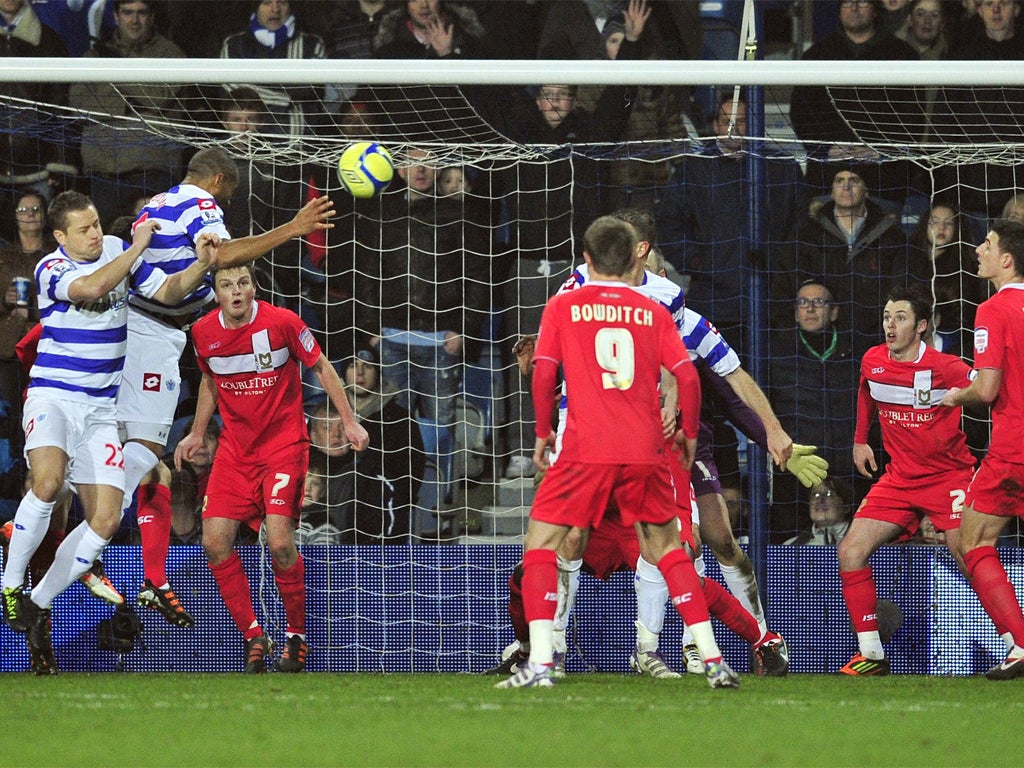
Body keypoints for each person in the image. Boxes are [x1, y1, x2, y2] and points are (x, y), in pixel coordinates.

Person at [496, 215, 739, 690]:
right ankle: (710, 658)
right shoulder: (654, 307)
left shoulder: (565, 303)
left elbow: (545, 371)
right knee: (668, 549)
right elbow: (687, 376)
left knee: (543, 545)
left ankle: (543, 661)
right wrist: (688, 432)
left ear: (586, 260)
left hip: (586, 448)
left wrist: (543, 432)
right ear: (635, 259)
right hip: (644, 448)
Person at [117, 146, 335, 630]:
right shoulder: (202, 205)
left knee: (141, 456)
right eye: (230, 196)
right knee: (146, 457)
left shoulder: (157, 203)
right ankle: (108, 547)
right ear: (217, 181)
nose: (226, 207)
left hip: (137, 327)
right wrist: (294, 229)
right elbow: (224, 256)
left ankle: (142, 568)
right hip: (152, 334)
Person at [0, 190, 216, 674]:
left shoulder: (118, 250)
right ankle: (11, 587)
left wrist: (203, 264)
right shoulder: (51, 270)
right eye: (84, 229)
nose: (96, 234)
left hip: (99, 410)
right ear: (60, 237)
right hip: (54, 397)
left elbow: (165, 292)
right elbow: (94, 289)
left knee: (105, 518)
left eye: (97, 224)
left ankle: (37, 602)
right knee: (48, 484)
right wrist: (137, 245)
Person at [175, 263, 369, 673]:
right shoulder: (203, 333)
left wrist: (348, 419)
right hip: (234, 451)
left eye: (243, 283)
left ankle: (296, 636)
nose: (237, 291)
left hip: (283, 446)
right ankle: (253, 635)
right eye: (227, 285)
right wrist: (196, 433)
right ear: (217, 293)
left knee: (280, 543)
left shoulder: (283, 322)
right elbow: (210, 380)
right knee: (214, 542)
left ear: (254, 287)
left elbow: (321, 366)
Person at [838, 286, 976, 676]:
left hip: (949, 477)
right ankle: (871, 654)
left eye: (900, 316)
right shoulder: (873, 360)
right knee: (850, 551)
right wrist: (860, 438)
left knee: (972, 560)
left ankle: (1016, 643)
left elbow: (986, 389)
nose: (890, 324)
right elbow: (866, 391)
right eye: (886, 316)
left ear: (922, 326)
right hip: (899, 479)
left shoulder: (946, 366)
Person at [352, 147, 488, 512]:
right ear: (397, 169)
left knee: (440, 429)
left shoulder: (458, 215)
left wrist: (464, 328)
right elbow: (365, 270)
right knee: (390, 426)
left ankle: (438, 510)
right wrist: (372, 329)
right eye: (412, 160)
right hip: (391, 337)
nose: (421, 168)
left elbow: (476, 274)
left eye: (429, 161)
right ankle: (390, 504)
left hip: (441, 339)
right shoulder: (379, 213)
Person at [657, 93, 805, 363]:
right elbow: (669, 223)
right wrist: (699, 262)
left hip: (772, 303)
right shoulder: (694, 171)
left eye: (741, 121)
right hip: (713, 302)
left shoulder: (783, 168)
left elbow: (800, 225)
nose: (733, 128)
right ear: (714, 125)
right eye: (726, 121)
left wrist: (781, 267)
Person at [939, 218, 1024, 681]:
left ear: (1005, 259)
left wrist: (957, 395)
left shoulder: (993, 309)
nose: (977, 249)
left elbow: (987, 388)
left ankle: (1019, 642)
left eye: (986, 244)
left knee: (973, 539)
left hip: (1014, 448)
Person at [772, 166, 920, 358]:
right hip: (816, 345)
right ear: (831, 191)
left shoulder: (892, 238)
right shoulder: (807, 236)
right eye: (839, 181)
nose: (846, 187)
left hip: (875, 342)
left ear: (866, 190)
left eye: (854, 181)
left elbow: (902, 290)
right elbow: (785, 288)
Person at [788, 0, 922, 205]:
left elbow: (914, 116)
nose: (854, 8)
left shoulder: (903, 55)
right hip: (827, 180)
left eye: (862, 3)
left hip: (884, 183)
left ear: (875, 10)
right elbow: (801, 113)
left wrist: (879, 149)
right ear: (839, 11)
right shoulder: (816, 55)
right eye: (848, 3)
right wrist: (827, 149)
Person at [68, 0, 187, 228]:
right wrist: (131, 104)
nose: (134, 20)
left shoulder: (170, 54)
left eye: (141, 13)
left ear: (151, 16)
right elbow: (80, 104)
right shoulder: (94, 56)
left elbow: (157, 95)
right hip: (104, 175)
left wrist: (114, 71)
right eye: (128, 13)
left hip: (153, 172)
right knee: (108, 248)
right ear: (116, 16)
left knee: (158, 246)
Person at [768, 278, 860, 539]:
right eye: (803, 303)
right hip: (795, 471)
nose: (809, 309)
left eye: (818, 302)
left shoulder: (853, 352)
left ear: (834, 312)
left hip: (846, 468)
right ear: (795, 313)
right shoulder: (777, 353)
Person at [341, 345, 425, 543]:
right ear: (343, 373)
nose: (360, 372)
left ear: (378, 373)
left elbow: (412, 470)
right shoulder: (327, 412)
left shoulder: (398, 417)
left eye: (368, 366)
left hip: (381, 506)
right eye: (353, 366)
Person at [219, 0, 327, 136]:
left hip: (296, 146)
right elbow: (232, 91)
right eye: (266, 2)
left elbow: (311, 90)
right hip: (244, 146)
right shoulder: (234, 44)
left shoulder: (312, 44)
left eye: (282, 2)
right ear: (256, 7)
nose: (275, 9)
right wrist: (286, 99)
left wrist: (251, 86)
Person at [908, 201, 988, 357]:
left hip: (955, 345)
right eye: (935, 222)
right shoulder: (907, 261)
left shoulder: (968, 267)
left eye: (949, 223)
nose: (941, 228)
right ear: (925, 225)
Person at [783, 478, 853, 546]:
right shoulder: (789, 547)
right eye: (815, 495)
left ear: (846, 506)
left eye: (829, 494)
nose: (820, 500)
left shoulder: (861, 542)